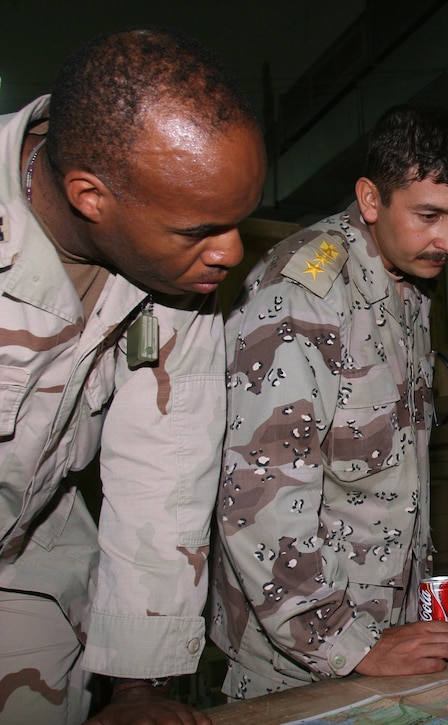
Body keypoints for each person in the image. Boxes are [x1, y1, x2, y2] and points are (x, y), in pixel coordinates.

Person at [0, 28, 266, 725]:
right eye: (200, 229)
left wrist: (137, 683)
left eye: (239, 222)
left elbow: (166, 468)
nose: (231, 252)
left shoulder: (177, 273)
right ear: (91, 195)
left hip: (29, 559)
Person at [211, 103, 448, 698]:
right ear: (370, 200)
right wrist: (346, 640)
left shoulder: (405, 286)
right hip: (300, 663)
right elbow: (255, 502)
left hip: (386, 636)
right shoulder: (301, 301)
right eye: (430, 215)